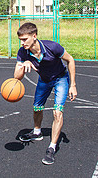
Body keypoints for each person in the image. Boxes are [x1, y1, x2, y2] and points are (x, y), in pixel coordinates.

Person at [13, 22, 77, 165]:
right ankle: (37, 133)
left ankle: (52, 147)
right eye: (20, 40)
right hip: (44, 80)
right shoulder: (22, 52)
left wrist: (73, 85)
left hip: (60, 79)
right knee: (37, 108)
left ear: (34, 36)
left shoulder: (52, 47)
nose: (22, 43)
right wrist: (24, 65)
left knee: (57, 112)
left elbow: (70, 60)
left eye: (25, 39)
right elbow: (16, 77)